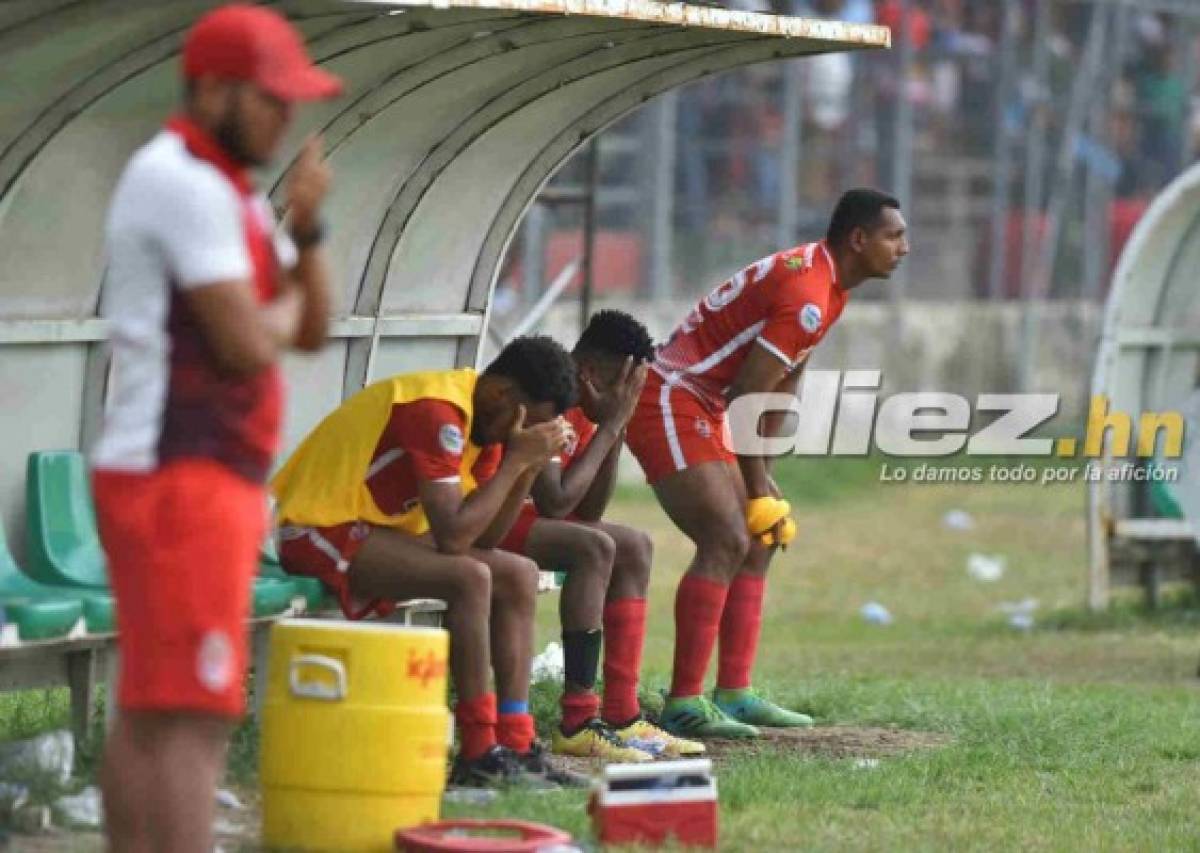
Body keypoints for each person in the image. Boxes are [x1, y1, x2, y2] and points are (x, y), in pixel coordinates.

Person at [89, 6, 341, 851]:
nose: (285, 117)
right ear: (212, 89)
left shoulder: (228, 193)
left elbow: (309, 325)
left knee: (163, 708)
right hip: (175, 475)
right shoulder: (179, 180)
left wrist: (307, 232)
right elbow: (240, 342)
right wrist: (262, 312)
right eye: (272, 98)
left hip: (204, 476)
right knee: (187, 716)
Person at [625, 188, 909, 739]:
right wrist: (757, 489)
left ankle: (733, 693)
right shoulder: (807, 290)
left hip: (701, 401)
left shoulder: (828, 285)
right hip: (670, 395)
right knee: (729, 537)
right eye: (894, 235)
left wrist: (765, 476)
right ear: (859, 239)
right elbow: (750, 397)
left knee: (758, 537)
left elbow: (780, 384)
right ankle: (684, 701)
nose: (905, 247)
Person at [271, 336, 583, 788]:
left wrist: (527, 466)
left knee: (519, 573)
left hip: (377, 533)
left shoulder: (492, 422)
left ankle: (516, 741)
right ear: (503, 394)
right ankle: (478, 751)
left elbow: (489, 536)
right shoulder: (436, 411)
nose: (524, 437)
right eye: (529, 424)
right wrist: (519, 459)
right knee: (469, 577)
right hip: (312, 527)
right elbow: (455, 538)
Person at [496, 311, 703, 761]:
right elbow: (555, 502)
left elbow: (589, 509)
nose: (625, 397)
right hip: (486, 516)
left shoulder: (589, 409)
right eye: (620, 385)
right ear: (590, 372)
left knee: (635, 545)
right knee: (594, 547)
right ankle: (577, 721)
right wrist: (610, 426)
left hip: (518, 516)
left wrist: (617, 426)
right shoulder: (548, 396)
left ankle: (622, 716)